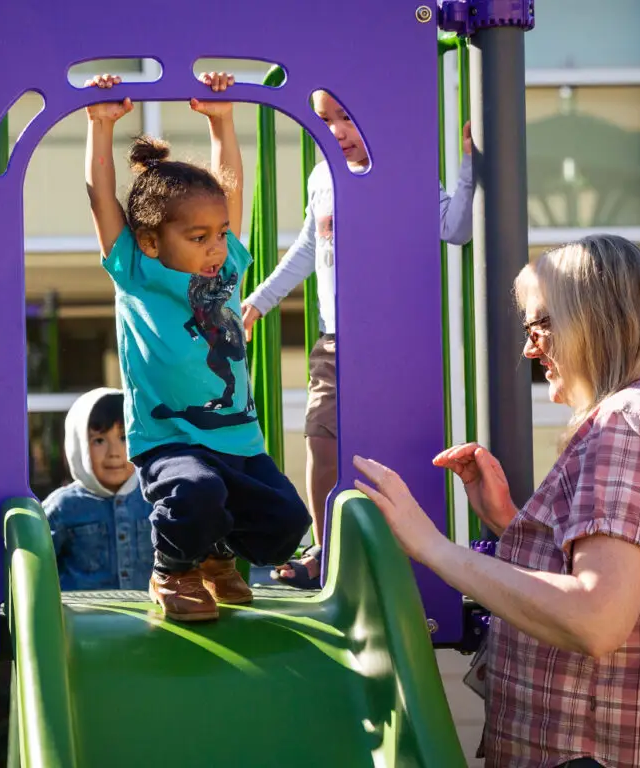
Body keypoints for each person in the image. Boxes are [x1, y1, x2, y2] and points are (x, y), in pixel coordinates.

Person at [353, 234, 640, 767]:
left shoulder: (626, 424)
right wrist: (513, 524)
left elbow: (594, 617)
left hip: (595, 751)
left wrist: (431, 546)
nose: (529, 347)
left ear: (599, 317)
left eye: (540, 324)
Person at [84, 72, 309, 622]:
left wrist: (222, 120)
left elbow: (229, 188)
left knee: (286, 525)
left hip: (239, 438)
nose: (216, 247)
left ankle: (215, 555)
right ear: (152, 241)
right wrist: (99, 126)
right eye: (198, 236)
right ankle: (172, 571)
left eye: (221, 232)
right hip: (169, 439)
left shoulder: (227, 266)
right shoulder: (135, 271)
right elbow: (101, 197)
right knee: (196, 491)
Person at [242, 90, 476, 588]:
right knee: (320, 442)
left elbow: (453, 229)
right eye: (326, 121)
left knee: (391, 451)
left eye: (346, 117)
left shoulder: (405, 169)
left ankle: (404, 551)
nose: (338, 132)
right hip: (335, 342)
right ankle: (327, 549)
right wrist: (261, 300)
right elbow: (309, 247)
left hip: (392, 343)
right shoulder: (321, 175)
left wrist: (470, 169)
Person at [43, 387, 154, 591]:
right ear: (78, 445)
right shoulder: (62, 507)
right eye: (99, 440)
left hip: (150, 621)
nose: (115, 453)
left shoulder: (155, 499)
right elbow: (37, 572)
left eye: (124, 438)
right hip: (81, 620)